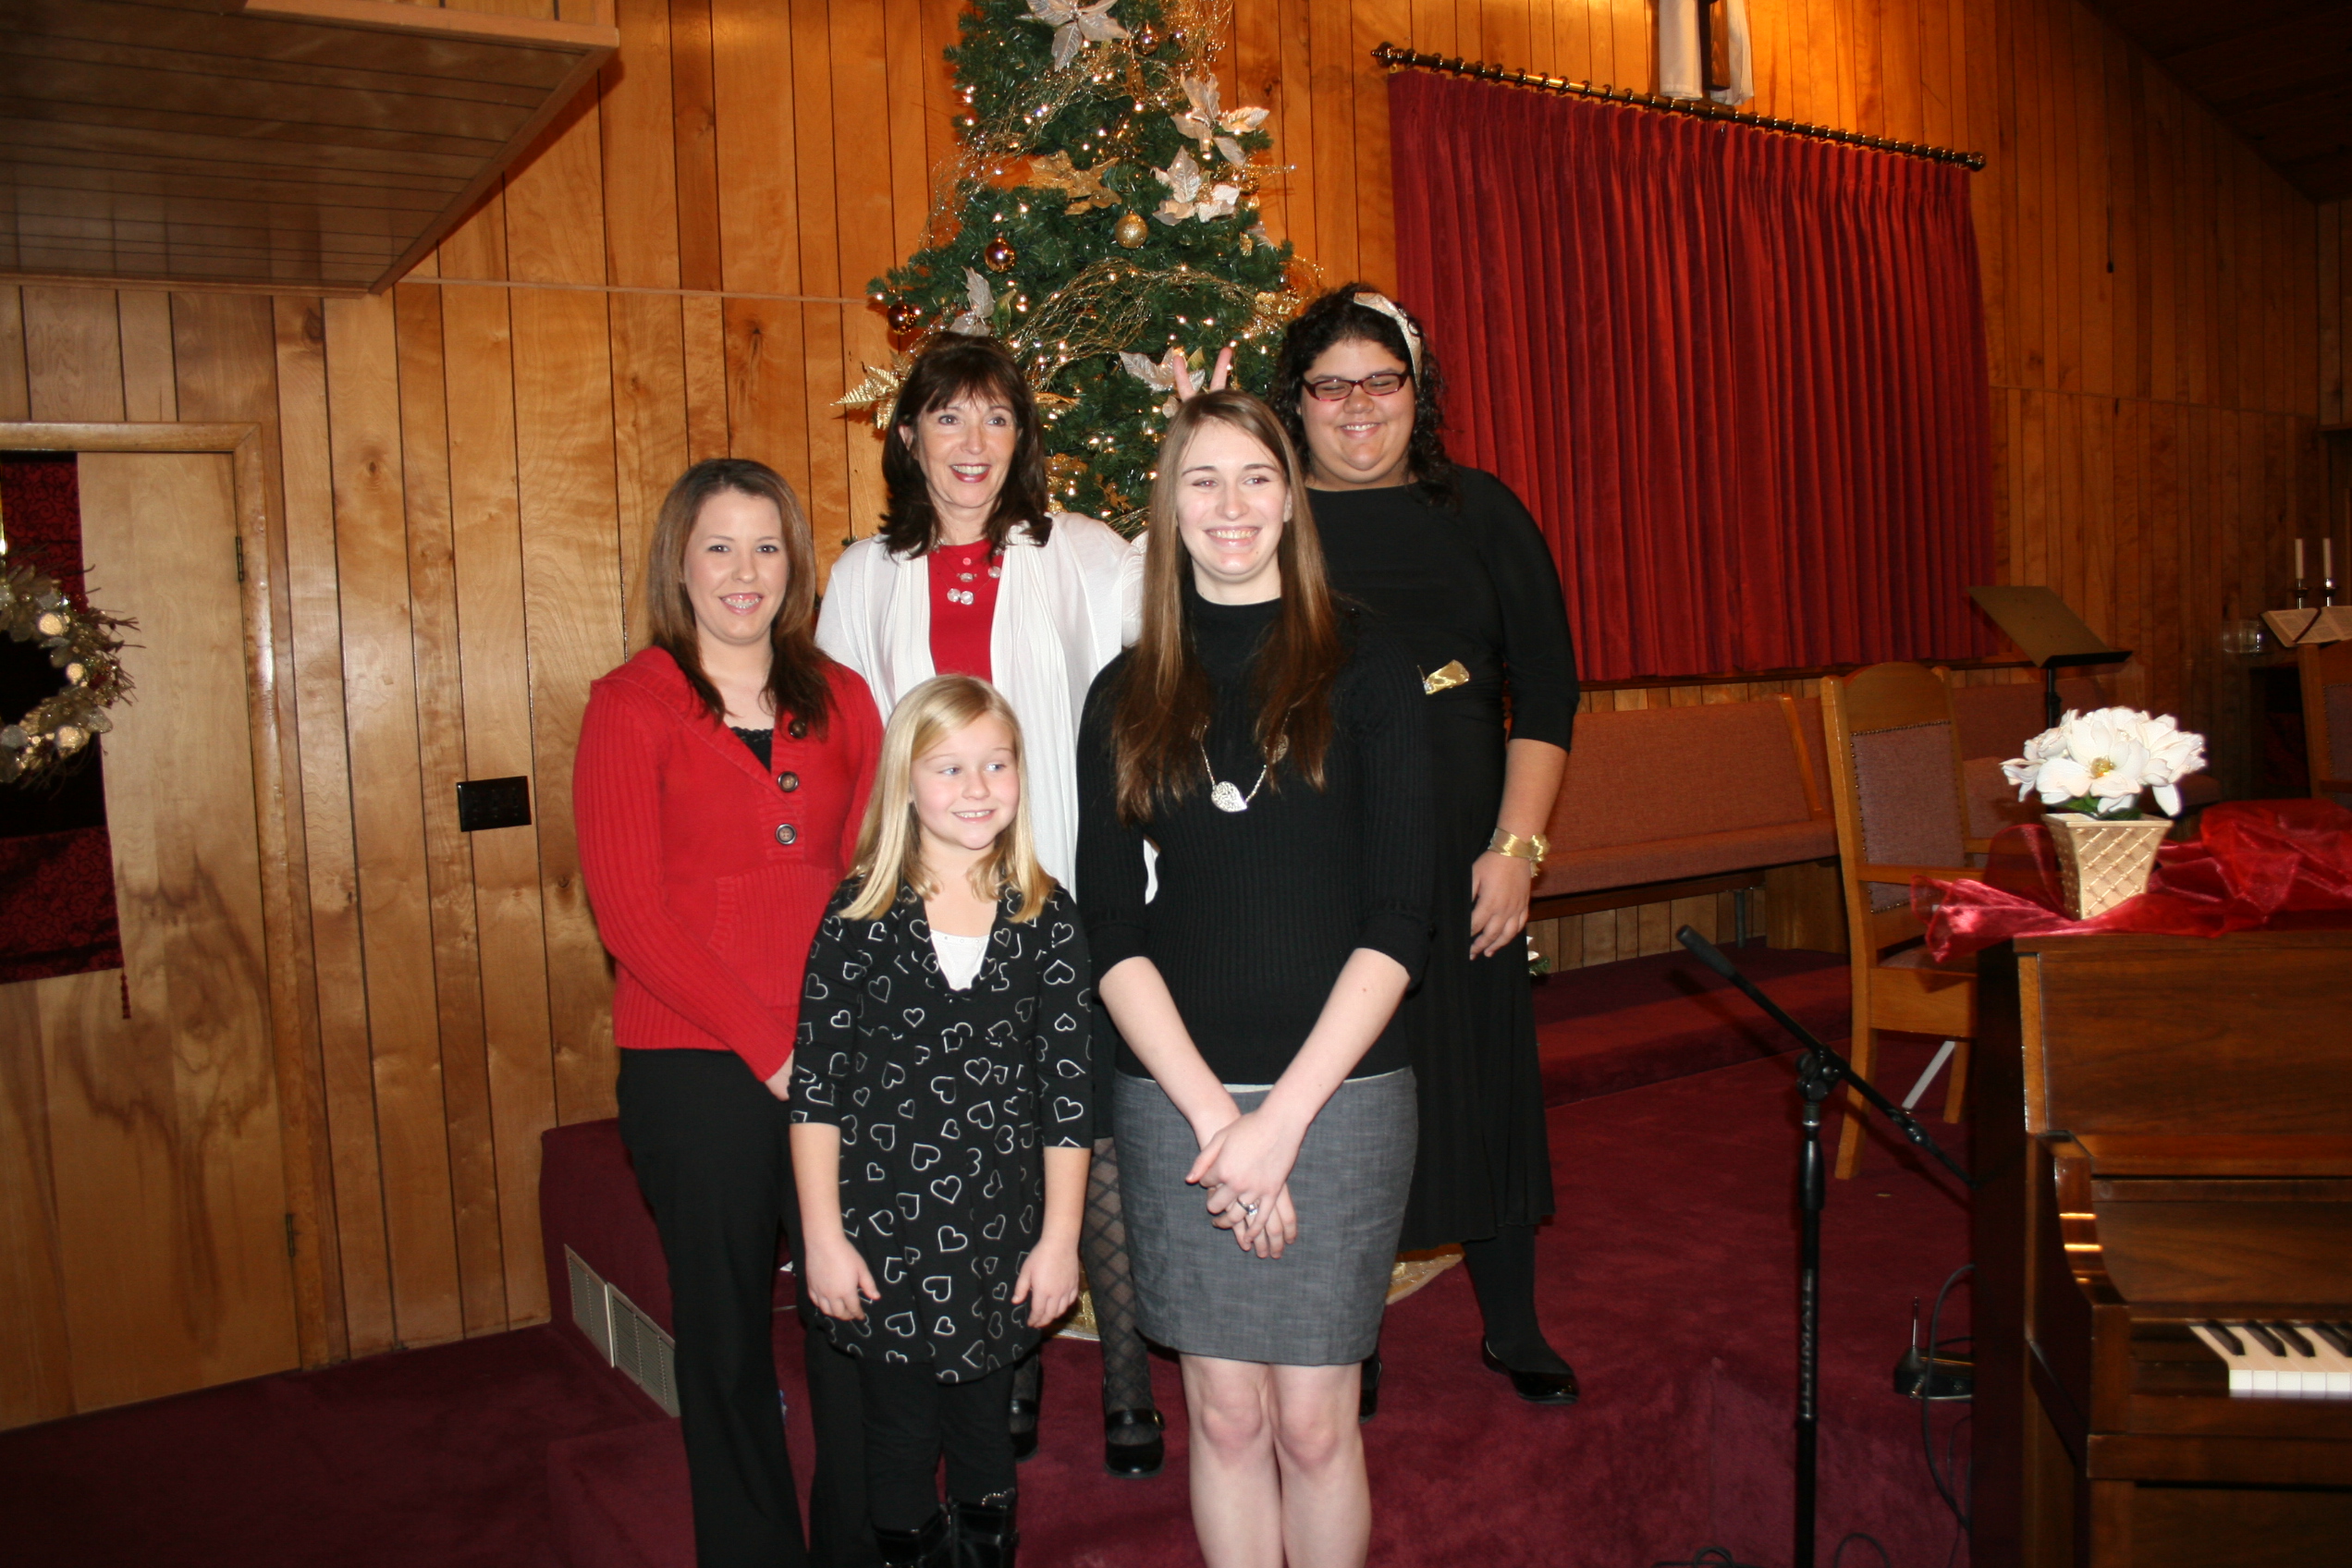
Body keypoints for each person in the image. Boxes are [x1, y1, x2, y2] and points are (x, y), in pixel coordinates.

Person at [1076, 390, 1432, 1568]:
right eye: (1202, 480)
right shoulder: (1125, 691)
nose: (1230, 505)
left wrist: (1277, 1125)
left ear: (1290, 501)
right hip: (1180, 1100)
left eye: (1255, 477)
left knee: (1316, 1423)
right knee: (1224, 1413)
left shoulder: (1370, 665)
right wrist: (1217, 1121)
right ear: (1170, 510)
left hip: (1340, 1094)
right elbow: (1110, 928)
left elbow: (1401, 917)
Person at [817, 333, 1162, 1476]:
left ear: (1023, 438)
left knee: (1082, 1134)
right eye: (949, 416)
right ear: (907, 434)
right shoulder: (863, 575)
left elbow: (1174, 599)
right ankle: (1005, 1368)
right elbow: (849, 745)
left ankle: (1126, 1387)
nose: (974, 441)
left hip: (1052, 903)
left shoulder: (1078, 550)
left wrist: (1188, 443)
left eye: (998, 417)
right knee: (980, 1141)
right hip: (925, 912)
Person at [1272, 288, 1582, 1406]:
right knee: (1344, 1084)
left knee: (1477, 1068)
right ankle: (1346, 1331)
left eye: (1381, 379)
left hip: (1465, 846)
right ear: (1298, 403)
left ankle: (1513, 1323)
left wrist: (1518, 846)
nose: (1358, 404)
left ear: (1418, 391)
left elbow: (1546, 688)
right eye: (1331, 385)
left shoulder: (1481, 510)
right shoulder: (1273, 518)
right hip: (1324, 848)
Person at [575, 458, 886, 1568]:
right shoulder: (630, 705)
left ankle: (863, 1543)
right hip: (695, 1068)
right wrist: (771, 1048)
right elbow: (631, 915)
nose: (744, 571)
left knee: (858, 1321)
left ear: (794, 564)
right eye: (719, 546)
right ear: (681, 562)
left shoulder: (845, 698)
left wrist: (856, 1038)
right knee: (727, 1342)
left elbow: (872, 874)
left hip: (837, 1055)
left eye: (766, 546)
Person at [790, 675, 1094, 1568]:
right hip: (881, 1237)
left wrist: (1061, 1241)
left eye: (996, 764)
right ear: (906, 782)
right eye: (949, 767)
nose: (977, 787)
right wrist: (822, 1239)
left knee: (983, 1435)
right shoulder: (858, 915)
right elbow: (817, 1093)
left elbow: (1068, 1099)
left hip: (998, 1236)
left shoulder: (1048, 918)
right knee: (895, 1436)